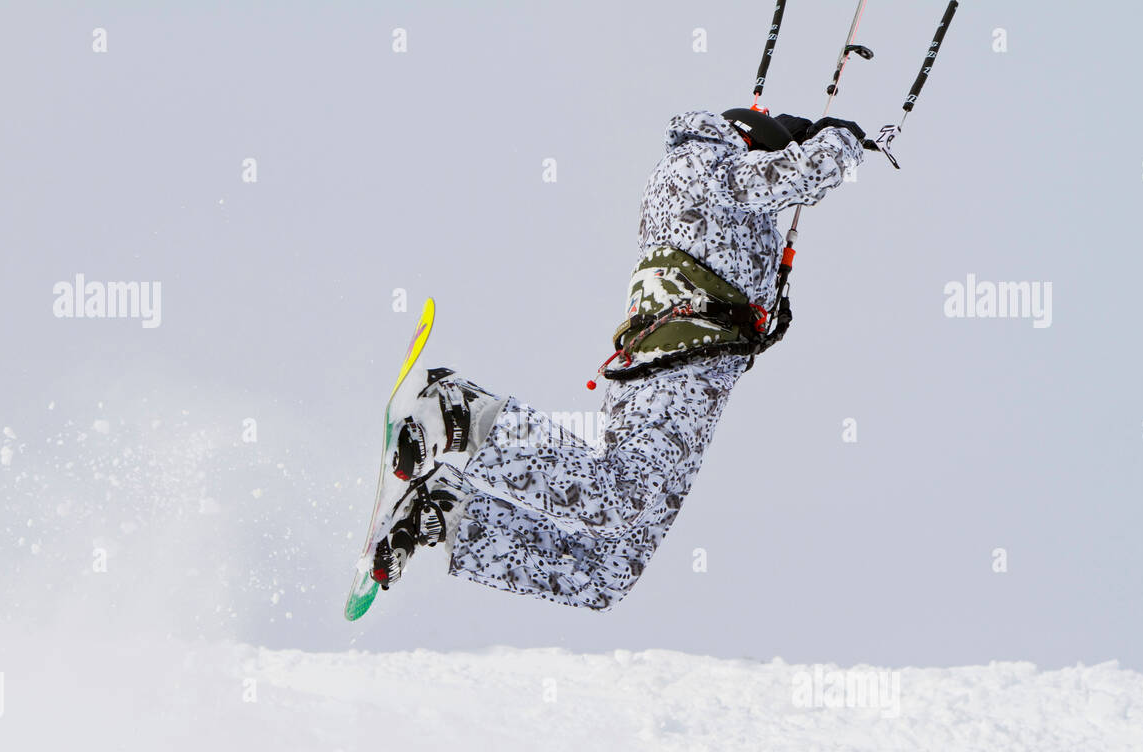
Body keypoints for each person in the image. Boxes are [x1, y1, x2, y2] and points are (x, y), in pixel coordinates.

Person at [371, 108, 871, 610]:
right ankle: (456, 411)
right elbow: (798, 176)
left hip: (700, 387)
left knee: (609, 570)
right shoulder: (699, 160)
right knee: (618, 495)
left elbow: (756, 244)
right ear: (749, 142)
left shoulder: (736, 200)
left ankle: (447, 512)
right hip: (671, 364)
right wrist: (838, 140)